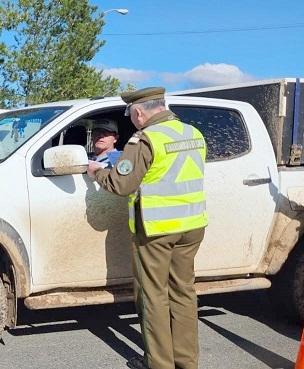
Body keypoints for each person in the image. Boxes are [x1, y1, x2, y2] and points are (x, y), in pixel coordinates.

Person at [87, 87, 207, 369]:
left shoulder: (144, 140)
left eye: (132, 116)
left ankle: (159, 364)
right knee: (183, 294)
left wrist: (97, 172)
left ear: (139, 112)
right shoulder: (192, 133)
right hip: (192, 225)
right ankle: (186, 363)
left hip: (156, 229)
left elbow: (121, 184)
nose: (133, 121)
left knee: (153, 298)